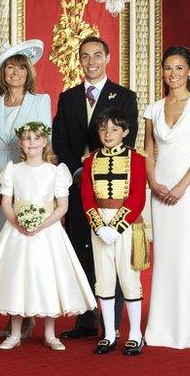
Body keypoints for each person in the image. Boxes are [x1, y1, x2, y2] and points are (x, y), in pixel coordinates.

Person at [0, 122, 96, 351]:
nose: (32, 142)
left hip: (47, 233)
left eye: (36, 138)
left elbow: (62, 206)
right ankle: (15, 333)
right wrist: (18, 223)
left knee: (46, 278)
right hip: (17, 232)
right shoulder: (13, 170)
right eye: (27, 138)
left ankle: (50, 333)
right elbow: (6, 203)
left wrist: (41, 225)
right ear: (20, 143)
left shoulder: (55, 171)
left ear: (44, 143)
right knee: (16, 278)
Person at [52, 36, 136, 339]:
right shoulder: (68, 97)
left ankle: (111, 324)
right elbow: (59, 138)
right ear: (79, 60)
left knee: (110, 253)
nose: (91, 62)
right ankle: (86, 321)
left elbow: (130, 138)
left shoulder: (125, 97)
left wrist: (96, 167)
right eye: (85, 56)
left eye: (97, 56)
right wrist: (78, 169)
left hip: (111, 190)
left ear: (108, 58)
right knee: (81, 251)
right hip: (77, 186)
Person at [143, 46, 190, 349]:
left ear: (189, 70)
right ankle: (160, 329)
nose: (172, 74)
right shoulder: (153, 109)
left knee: (187, 257)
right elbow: (148, 151)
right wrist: (153, 182)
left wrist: (182, 186)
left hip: (188, 193)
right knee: (165, 258)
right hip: (160, 192)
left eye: (178, 68)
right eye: (167, 68)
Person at [80, 107, 148, 356]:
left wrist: (117, 227)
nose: (108, 133)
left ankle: (135, 334)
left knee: (130, 280)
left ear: (126, 132)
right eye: (103, 128)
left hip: (127, 225)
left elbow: (138, 195)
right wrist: (99, 226)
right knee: (104, 280)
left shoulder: (137, 158)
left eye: (114, 129)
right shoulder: (90, 160)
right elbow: (87, 196)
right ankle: (109, 334)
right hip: (99, 225)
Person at [0, 40, 51, 254]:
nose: (16, 72)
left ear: (28, 72)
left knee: (26, 246)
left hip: (31, 182)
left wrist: (43, 183)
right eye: (10, 67)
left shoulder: (40, 101)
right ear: (3, 72)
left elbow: (48, 143)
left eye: (21, 67)